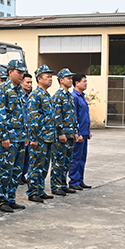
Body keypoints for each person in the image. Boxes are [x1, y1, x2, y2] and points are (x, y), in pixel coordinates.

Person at [0, 59, 29, 212]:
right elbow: (0, 115)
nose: (21, 75)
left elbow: (23, 115)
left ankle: (11, 198)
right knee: (5, 170)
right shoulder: (2, 90)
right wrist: (3, 137)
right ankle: (1, 201)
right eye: (18, 72)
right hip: (9, 138)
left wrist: (26, 135)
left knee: (16, 170)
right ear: (10, 72)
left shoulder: (20, 91)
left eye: (22, 72)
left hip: (20, 137)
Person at [27, 65, 56, 203]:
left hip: (48, 137)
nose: (50, 79)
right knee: (36, 165)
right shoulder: (35, 95)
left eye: (51, 77)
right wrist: (34, 138)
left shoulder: (46, 95)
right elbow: (33, 118)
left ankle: (39, 189)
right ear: (39, 79)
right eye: (47, 76)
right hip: (40, 138)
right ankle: (33, 192)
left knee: (44, 166)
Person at [51, 68, 78, 196]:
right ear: (61, 80)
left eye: (71, 78)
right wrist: (60, 133)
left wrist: (76, 132)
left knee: (67, 162)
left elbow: (73, 116)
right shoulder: (58, 96)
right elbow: (57, 117)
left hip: (70, 134)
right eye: (68, 78)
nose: (71, 80)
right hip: (61, 136)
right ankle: (56, 186)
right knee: (58, 161)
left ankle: (63, 184)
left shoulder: (69, 96)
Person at [69, 73, 92, 191]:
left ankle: (80, 179)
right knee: (76, 157)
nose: (86, 83)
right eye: (84, 81)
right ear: (77, 83)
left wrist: (88, 131)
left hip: (84, 132)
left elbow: (85, 116)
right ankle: (73, 180)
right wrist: (76, 133)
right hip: (78, 133)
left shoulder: (82, 96)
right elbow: (74, 117)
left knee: (83, 157)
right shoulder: (74, 97)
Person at [19, 71, 33, 184]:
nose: (29, 85)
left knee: (28, 156)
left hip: (30, 130)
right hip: (21, 131)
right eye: (27, 82)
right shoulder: (18, 96)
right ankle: (18, 175)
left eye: (31, 83)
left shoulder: (31, 96)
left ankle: (23, 175)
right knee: (21, 155)